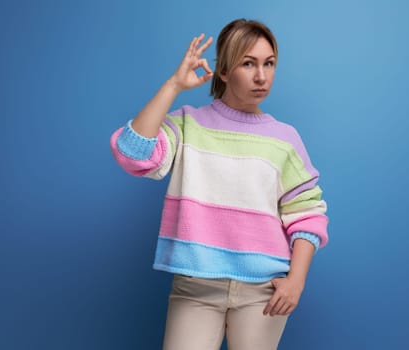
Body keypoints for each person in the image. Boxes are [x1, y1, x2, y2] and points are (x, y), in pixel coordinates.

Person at [110, 19, 329, 350]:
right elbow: (132, 154)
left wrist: (295, 281)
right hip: (195, 287)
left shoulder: (284, 139)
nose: (262, 76)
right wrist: (173, 85)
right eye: (248, 63)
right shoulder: (187, 124)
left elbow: (307, 214)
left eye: (269, 63)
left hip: (263, 292)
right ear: (224, 71)